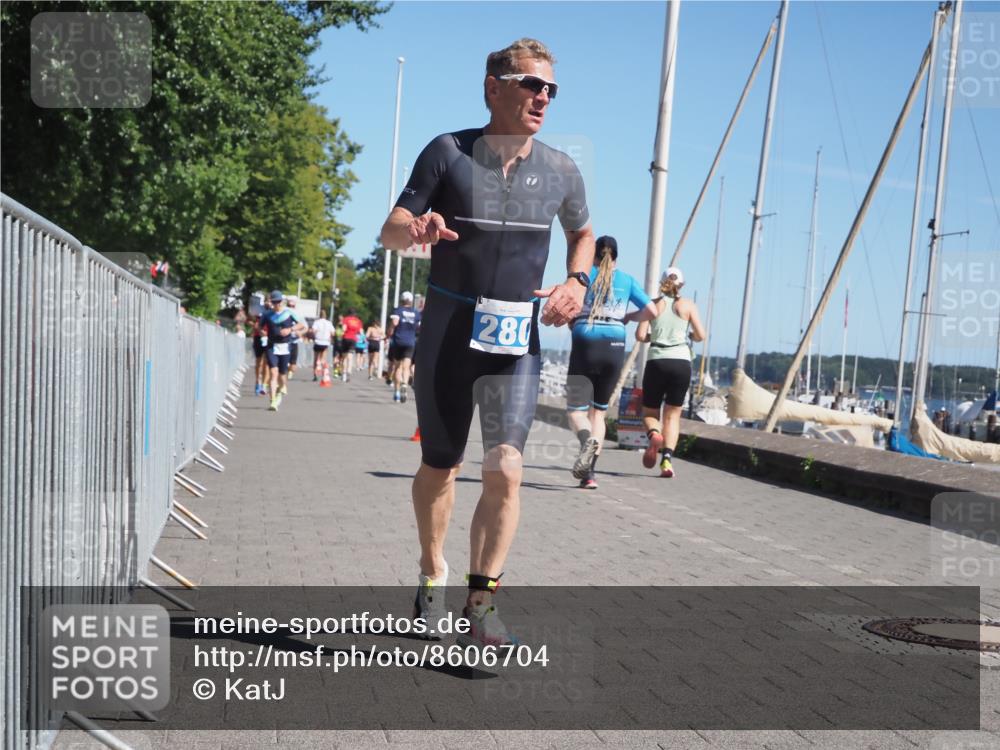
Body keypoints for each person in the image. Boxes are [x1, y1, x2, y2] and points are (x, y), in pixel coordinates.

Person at [380, 38, 594, 646]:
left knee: (505, 469)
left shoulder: (561, 169)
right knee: (440, 467)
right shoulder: (447, 153)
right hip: (447, 336)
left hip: (515, 342)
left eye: (551, 88)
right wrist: (416, 228)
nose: (543, 97)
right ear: (494, 86)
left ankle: (481, 605)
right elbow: (391, 229)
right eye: (532, 84)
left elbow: (583, 234)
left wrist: (577, 283)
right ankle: (431, 569)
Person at [565, 236, 657, 489]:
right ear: (616, 257)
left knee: (575, 411)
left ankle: (585, 441)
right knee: (600, 412)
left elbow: (570, 305)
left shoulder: (585, 275)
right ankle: (590, 475)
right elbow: (652, 311)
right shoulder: (626, 280)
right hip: (614, 345)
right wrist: (628, 317)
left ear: (593, 255)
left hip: (585, 340)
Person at [635, 268, 706, 478]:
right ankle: (667, 461)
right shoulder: (688, 306)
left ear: (661, 282)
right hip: (681, 362)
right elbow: (701, 335)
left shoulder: (652, 305)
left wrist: (654, 338)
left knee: (650, 412)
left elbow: (640, 335)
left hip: (657, 360)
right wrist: (688, 335)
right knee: (673, 416)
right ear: (681, 285)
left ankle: (654, 434)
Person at [262, 291, 304, 411]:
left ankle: (282, 387)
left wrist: (290, 329)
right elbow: (259, 327)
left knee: (282, 374)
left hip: (285, 346)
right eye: (274, 302)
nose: (276, 304)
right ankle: (272, 401)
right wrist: (262, 333)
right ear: (271, 302)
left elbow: (301, 325)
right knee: (273, 372)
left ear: (282, 301)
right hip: (271, 346)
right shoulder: (267, 314)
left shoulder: (289, 312)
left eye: (278, 302)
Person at [386, 292, 420, 403]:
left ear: (401, 300)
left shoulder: (398, 310)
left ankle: (396, 392)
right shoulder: (416, 313)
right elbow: (419, 326)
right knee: (406, 366)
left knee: (398, 367)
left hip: (398, 341)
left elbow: (395, 323)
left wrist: (389, 332)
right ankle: (405, 384)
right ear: (411, 301)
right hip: (410, 342)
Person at [252, 300, 272, 396]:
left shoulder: (274, 313)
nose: (268, 304)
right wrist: (256, 327)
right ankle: (257, 382)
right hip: (258, 337)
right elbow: (250, 320)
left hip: (269, 338)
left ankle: (264, 384)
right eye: (266, 302)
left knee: (266, 363)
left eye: (270, 302)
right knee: (259, 362)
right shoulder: (258, 310)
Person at [310, 309, 335, 381]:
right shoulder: (329, 323)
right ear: (325, 316)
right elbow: (333, 333)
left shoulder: (316, 322)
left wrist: (314, 334)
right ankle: (323, 372)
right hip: (325, 342)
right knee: (324, 358)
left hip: (318, 341)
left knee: (315, 358)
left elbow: (313, 331)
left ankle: (315, 374)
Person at [340, 308, 364, 382]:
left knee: (344, 357)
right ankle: (348, 373)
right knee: (350, 358)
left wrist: (341, 335)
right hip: (353, 340)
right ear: (355, 314)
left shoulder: (346, 319)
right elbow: (361, 332)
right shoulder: (358, 321)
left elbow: (344, 329)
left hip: (346, 338)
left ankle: (344, 374)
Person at [286, 296, 305, 380]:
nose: (291, 307)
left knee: (293, 363)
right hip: (284, 341)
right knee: (283, 361)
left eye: (292, 305)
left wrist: (300, 332)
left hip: (294, 341)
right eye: (289, 305)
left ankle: (289, 372)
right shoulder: (283, 312)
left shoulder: (298, 314)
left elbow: (305, 327)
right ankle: (283, 373)